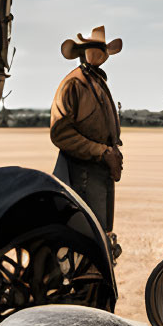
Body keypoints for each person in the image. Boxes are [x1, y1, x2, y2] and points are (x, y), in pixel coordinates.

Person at [49, 25, 124, 256]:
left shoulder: (96, 81)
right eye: (95, 49)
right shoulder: (75, 83)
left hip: (97, 168)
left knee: (100, 231)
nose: (99, 54)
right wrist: (101, 152)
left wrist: (112, 151)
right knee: (88, 235)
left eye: (102, 50)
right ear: (84, 52)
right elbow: (60, 133)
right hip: (81, 170)